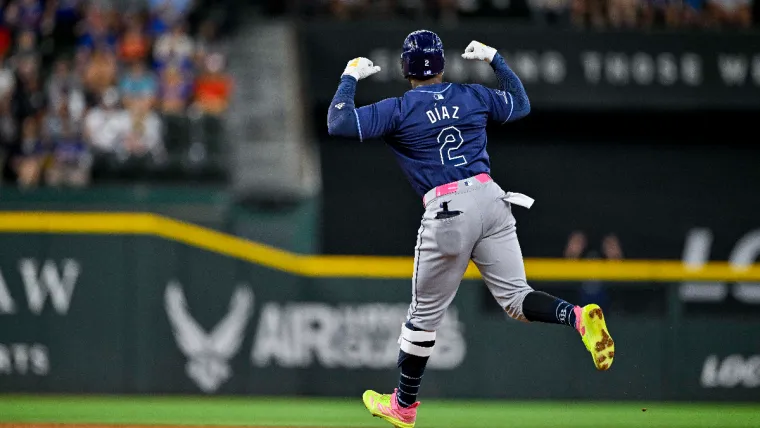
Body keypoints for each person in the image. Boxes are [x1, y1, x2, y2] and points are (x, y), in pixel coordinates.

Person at [326, 30, 615, 428]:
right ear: (442, 65)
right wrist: (497, 59)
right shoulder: (472, 94)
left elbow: (339, 122)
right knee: (517, 298)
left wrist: (349, 77)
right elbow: (521, 104)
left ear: (405, 68)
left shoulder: (399, 108)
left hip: (447, 208)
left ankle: (404, 405)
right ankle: (578, 316)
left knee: (423, 317)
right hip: (492, 198)